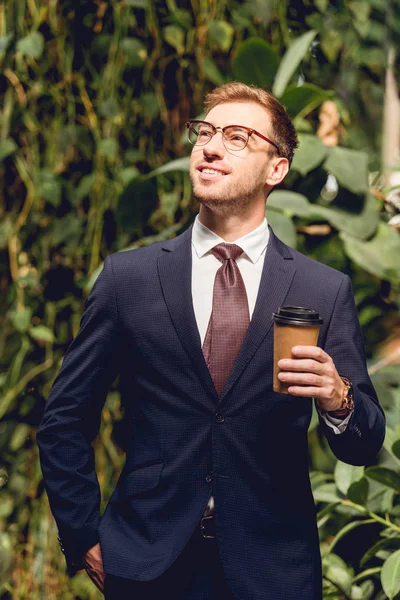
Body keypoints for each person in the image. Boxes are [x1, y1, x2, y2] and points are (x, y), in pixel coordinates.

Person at [37, 82, 385, 600]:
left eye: (238, 136)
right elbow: (64, 419)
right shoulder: (127, 279)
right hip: (147, 567)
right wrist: (85, 536)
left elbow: (364, 444)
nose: (211, 146)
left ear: (277, 169)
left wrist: (338, 397)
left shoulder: (323, 289)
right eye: (206, 132)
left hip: (274, 573)